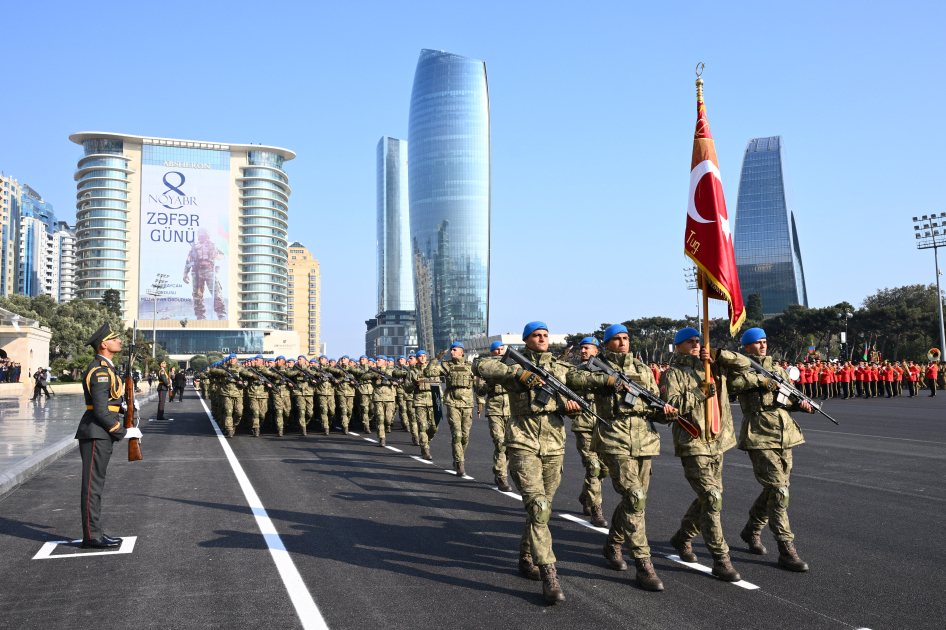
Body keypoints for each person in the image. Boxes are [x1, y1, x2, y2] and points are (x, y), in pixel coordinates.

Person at [578, 324, 675, 592]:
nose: (623, 342)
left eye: (626, 338)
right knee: (635, 497)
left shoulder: (643, 370)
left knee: (635, 501)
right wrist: (609, 381)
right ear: (606, 344)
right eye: (616, 339)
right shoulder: (595, 365)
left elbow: (651, 405)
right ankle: (644, 564)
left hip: (644, 439)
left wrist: (664, 413)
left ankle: (612, 545)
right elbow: (575, 380)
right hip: (614, 437)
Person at [660, 326, 749, 582]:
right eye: (689, 342)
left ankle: (683, 537)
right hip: (694, 441)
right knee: (711, 498)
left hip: (717, 440)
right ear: (678, 347)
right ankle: (721, 559)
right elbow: (671, 408)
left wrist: (718, 354)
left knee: (710, 497)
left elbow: (744, 366)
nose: (696, 345)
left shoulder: (713, 367)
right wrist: (699, 392)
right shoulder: (673, 374)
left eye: (698, 341)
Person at [729, 328, 813, 572]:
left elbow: (786, 401)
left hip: (784, 434)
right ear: (747, 348)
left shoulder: (778, 370)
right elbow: (734, 384)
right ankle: (786, 549)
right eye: (758, 343)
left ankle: (752, 530)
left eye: (765, 341)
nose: (763, 346)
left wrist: (801, 405)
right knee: (778, 491)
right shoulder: (742, 368)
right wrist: (762, 380)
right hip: (759, 434)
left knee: (777, 489)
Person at [76, 322, 142, 548]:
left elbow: (109, 404)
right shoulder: (100, 370)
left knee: (97, 484)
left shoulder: (107, 368)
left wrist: (124, 409)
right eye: (115, 339)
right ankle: (92, 536)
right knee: (92, 486)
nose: (119, 341)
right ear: (104, 344)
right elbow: (101, 409)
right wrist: (122, 432)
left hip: (100, 431)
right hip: (97, 431)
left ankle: (96, 532)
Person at [569, 337, 609, 528]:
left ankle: (586, 495)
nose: (583, 351)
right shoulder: (575, 372)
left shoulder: (607, 370)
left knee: (605, 468)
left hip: (604, 424)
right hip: (584, 422)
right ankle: (596, 509)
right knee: (593, 466)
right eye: (582, 348)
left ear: (596, 350)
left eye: (587, 348)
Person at [424, 342, 476, 476]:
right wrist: (436, 358)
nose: (452, 352)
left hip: (468, 402)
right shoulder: (446, 365)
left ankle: (458, 457)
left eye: (454, 350)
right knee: (457, 434)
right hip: (452, 402)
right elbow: (428, 372)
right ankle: (460, 463)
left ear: (461, 352)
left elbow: (479, 382)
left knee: (465, 436)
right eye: (451, 350)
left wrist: (480, 402)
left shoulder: (471, 366)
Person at [474, 340, 512, 491]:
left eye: (502, 349)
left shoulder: (510, 366)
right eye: (497, 349)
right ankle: (502, 475)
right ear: (492, 352)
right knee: (500, 442)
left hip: (511, 409)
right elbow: (479, 391)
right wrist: (489, 384)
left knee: (510, 445)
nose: (500, 352)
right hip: (494, 409)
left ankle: (500, 469)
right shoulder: (485, 368)